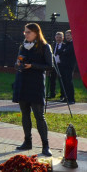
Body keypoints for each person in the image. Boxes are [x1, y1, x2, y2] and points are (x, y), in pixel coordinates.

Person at [13, 22, 53, 157]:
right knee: (25, 114)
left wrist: (33, 65)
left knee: (39, 116)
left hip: (36, 85)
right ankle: (27, 142)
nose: (26, 34)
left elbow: (49, 66)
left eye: (28, 32)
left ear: (36, 33)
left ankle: (45, 145)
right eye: (25, 32)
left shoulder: (45, 47)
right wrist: (18, 64)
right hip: (22, 83)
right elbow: (16, 63)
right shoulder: (22, 47)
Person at [59, 29, 76, 105]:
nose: (67, 37)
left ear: (72, 36)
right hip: (63, 65)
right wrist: (63, 51)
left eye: (68, 35)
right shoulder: (66, 44)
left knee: (69, 82)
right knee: (64, 82)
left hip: (69, 66)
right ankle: (66, 98)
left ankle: (71, 99)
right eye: (66, 35)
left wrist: (63, 51)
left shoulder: (73, 44)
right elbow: (60, 51)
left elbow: (67, 52)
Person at [47, 31, 64, 99]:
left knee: (61, 80)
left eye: (60, 37)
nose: (58, 39)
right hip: (54, 64)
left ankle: (62, 95)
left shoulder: (64, 45)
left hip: (60, 65)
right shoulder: (53, 45)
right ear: (55, 37)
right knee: (52, 80)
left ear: (63, 38)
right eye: (57, 37)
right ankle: (52, 94)